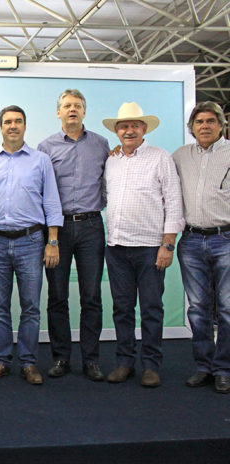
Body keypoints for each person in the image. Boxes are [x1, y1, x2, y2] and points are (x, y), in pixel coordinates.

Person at [102, 102, 184, 388]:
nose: (129, 130)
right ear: (116, 131)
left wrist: (168, 244)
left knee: (151, 309)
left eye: (135, 125)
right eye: (123, 126)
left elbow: (174, 202)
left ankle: (151, 365)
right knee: (122, 309)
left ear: (144, 129)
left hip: (151, 247)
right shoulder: (110, 161)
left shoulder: (160, 158)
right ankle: (125, 362)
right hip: (116, 247)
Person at [0, 105, 63, 386]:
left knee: (30, 307)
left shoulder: (41, 160)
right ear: (0, 127)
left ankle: (28, 363)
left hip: (31, 242)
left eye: (18, 121)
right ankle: (1, 361)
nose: (12, 126)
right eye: (7, 122)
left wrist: (52, 241)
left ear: (25, 126)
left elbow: (51, 202)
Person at [37, 89, 110, 381]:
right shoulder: (46, 147)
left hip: (92, 226)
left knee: (91, 296)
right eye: (67, 106)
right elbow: (41, 190)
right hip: (58, 229)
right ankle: (61, 358)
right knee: (57, 296)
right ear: (58, 112)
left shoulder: (103, 145)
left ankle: (91, 360)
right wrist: (51, 237)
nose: (72, 110)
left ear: (84, 112)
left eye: (77, 105)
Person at [171, 101, 230, 394]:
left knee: (228, 308)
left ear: (221, 125)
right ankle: (204, 366)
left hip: (226, 240)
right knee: (198, 309)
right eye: (199, 122)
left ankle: (224, 369)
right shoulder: (180, 156)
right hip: (191, 241)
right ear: (191, 128)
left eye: (210, 121)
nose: (204, 126)